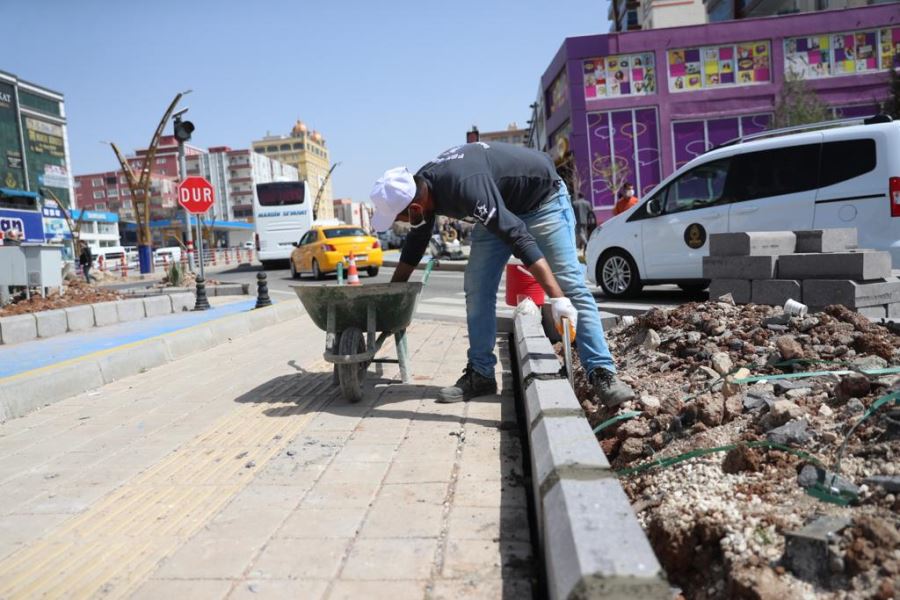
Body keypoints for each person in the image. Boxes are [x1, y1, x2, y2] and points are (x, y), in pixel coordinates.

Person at [370, 142, 634, 406]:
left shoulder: (465, 186)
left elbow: (516, 236)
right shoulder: (420, 188)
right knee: (477, 288)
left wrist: (556, 297)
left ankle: (602, 372)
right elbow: (416, 244)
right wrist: (393, 296)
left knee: (570, 287)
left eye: (399, 219)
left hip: (543, 201)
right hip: (499, 207)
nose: (400, 224)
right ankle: (481, 373)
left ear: (415, 208)